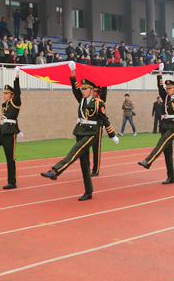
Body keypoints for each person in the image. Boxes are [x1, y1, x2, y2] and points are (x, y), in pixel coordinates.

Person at [41, 62, 118, 201]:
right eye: (82, 89)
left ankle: (55, 170)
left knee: (74, 152)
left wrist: (112, 135)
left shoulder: (98, 103)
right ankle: (89, 192)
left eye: (85, 89)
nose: (82, 91)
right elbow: (74, 87)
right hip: (80, 132)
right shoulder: (81, 100)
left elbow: (105, 120)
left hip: (92, 133)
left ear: (91, 90)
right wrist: (73, 72)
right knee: (84, 164)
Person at [138, 63, 174, 184]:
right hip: (164, 125)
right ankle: (171, 177)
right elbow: (160, 87)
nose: (167, 90)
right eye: (167, 88)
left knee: (161, 143)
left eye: (170, 88)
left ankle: (148, 161)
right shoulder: (165, 97)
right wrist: (160, 74)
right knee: (168, 154)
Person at [90, 85, 108, 177]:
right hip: (88, 127)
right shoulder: (88, 99)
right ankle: (86, 168)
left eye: (96, 91)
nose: (94, 93)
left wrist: (103, 82)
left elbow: (104, 92)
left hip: (98, 126)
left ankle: (95, 170)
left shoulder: (101, 100)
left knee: (96, 149)